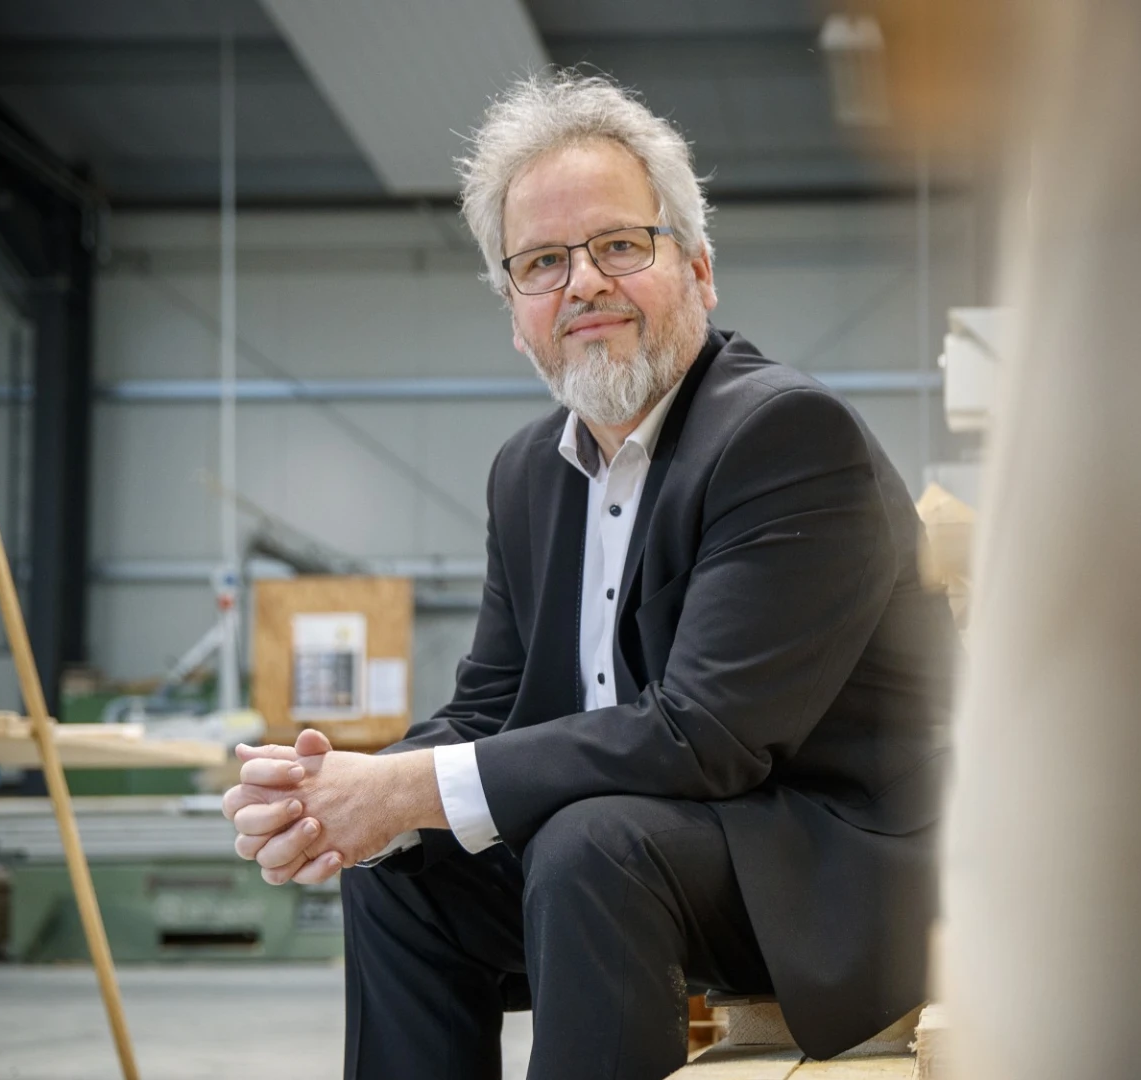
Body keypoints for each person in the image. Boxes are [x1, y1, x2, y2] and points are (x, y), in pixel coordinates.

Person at [222, 71, 956, 1080]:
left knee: (588, 840)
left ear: (698, 269)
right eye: (543, 262)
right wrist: (338, 799)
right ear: (514, 312)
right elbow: (489, 707)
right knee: (402, 869)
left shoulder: (785, 437)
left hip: (830, 872)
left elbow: (705, 735)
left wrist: (401, 789)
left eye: (619, 245)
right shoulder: (529, 472)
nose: (583, 284)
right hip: (640, 861)